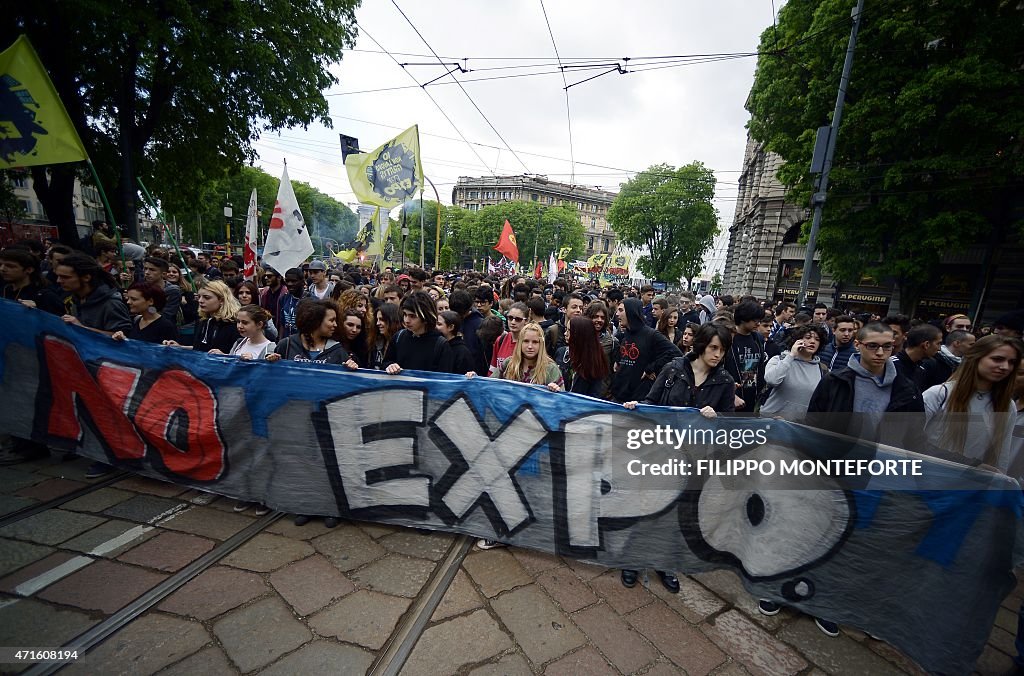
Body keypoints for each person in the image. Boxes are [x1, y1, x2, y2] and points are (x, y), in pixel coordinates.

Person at [620, 323, 735, 595]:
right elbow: (653, 402)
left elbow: (730, 423)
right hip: (660, 453)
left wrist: (717, 418)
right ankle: (633, 559)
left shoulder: (725, 381)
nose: (718, 354)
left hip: (694, 459)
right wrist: (637, 406)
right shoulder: (673, 369)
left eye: (723, 350)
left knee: (675, 513)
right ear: (701, 346)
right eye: (713, 348)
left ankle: (665, 561)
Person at [922, 335, 1022, 473]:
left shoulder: (1008, 406)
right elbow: (912, 441)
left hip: (970, 488)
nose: (1005, 367)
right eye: (997, 359)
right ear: (976, 358)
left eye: (1012, 362)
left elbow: (1002, 455)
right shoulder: (939, 394)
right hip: (926, 482)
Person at [612, 297, 682, 402]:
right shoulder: (626, 333)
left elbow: (675, 353)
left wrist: (651, 368)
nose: (617, 314)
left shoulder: (651, 335)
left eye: (621, 310)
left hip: (637, 399)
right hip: (620, 395)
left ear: (632, 312)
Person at [759, 324, 828, 421]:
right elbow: (772, 380)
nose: (812, 341)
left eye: (817, 339)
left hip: (801, 425)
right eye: (808, 338)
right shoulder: (779, 360)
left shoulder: (823, 369)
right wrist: (791, 356)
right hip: (772, 421)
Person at [55, 253, 132, 337]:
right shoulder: (75, 299)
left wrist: (82, 328)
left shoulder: (111, 304)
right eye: (58, 276)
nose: (58, 281)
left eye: (65, 277)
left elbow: (123, 338)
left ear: (86, 277)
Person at [384, 291, 455, 374]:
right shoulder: (399, 337)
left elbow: (444, 378)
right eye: (405, 314)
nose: (407, 320)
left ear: (425, 317)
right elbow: (386, 362)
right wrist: (390, 366)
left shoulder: (440, 344)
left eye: (412, 316)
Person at [163, 280, 240, 354]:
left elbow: (240, 354)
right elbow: (199, 348)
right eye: (199, 297)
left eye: (206, 297)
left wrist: (224, 356)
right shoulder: (203, 321)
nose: (200, 300)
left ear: (221, 300)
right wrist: (180, 347)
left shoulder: (234, 324)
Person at [724, 300, 768, 413]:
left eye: (759, 320)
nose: (758, 323)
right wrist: (731, 394)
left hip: (752, 395)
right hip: (732, 396)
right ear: (743, 318)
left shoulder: (758, 338)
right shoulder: (728, 337)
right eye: (754, 320)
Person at [111, 282, 178, 344]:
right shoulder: (135, 321)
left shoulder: (166, 326)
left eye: (134, 299)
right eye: (128, 298)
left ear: (150, 301)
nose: (128, 302)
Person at [563, 315, 610, 398]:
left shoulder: (593, 366)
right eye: (566, 329)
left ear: (579, 335)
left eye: (569, 331)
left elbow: (594, 398)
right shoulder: (562, 354)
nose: (565, 333)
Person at [488, 302, 529, 377]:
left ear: (526, 321)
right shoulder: (500, 340)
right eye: (510, 318)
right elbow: (492, 369)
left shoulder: (529, 344)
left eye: (518, 319)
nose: (513, 322)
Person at [141, 256, 182, 325]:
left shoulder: (172, 291)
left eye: (152, 270)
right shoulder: (141, 288)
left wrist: (145, 309)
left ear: (163, 274)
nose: (147, 272)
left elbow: (166, 315)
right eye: (145, 269)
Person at [438, 310, 477, 374]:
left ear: (451, 327)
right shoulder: (440, 346)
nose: (436, 327)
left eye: (439, 324)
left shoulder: (462, 352)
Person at [370, 302, 402, 370]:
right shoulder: (375, 342)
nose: (377, 323)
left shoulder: (402, 341)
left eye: (382, 319)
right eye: (377, 319)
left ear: (392, 319)